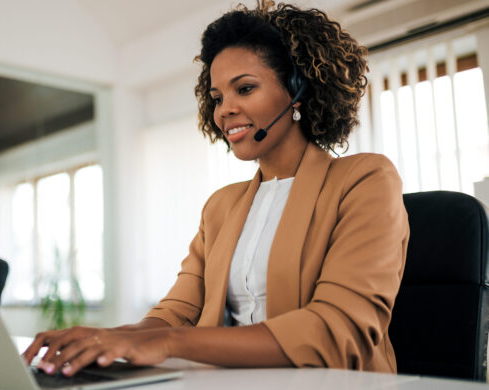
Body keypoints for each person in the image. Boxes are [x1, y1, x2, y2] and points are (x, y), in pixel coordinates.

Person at [23, 0, 409, 376]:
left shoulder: (364, 179)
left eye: (244, 89)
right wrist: (102, 338)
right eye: (217, 97)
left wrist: (171, 343)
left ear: (297, 92)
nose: (224, 110)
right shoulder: (221, 206)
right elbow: (176, 313)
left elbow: (335, 331)